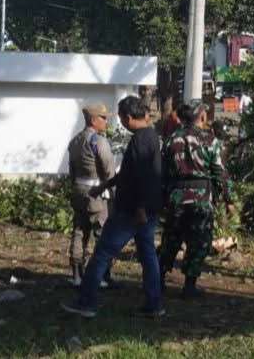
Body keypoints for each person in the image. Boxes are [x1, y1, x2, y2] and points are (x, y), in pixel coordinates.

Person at [62, 95, 163, 319]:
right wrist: (104, 186)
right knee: (148, 255)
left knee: (102, 253)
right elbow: (128, 173)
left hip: (132, 210)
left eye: (120, 118)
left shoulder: (139, 141)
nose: (118, 122)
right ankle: (154, 304)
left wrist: (139, 207)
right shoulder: (150, 136)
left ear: (128, 117)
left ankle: (86, 302)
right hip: (146, 208)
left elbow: (142, 176)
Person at [158, 99, 231, 298]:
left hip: (176, 197)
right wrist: (229, 199)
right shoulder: (210, 140)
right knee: (199, 242)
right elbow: (220, 173)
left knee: (170, 240)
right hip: (201, 199)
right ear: (202, 116)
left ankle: (158, 280)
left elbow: (162, 173)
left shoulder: (171, 139)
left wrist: (162, 199)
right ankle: (189, 286)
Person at [66, 103, 117, 287]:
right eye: (103, 117)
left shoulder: (75, 141)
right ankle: (101, 276)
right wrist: (112, 191)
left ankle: (76, 275)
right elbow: (109, 171)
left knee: (79, 232)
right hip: (96, 194)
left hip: (78, 191)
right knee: (102, 234)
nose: (106, 121)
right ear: (94, 120)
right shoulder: (99, 141)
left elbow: (71, 170)